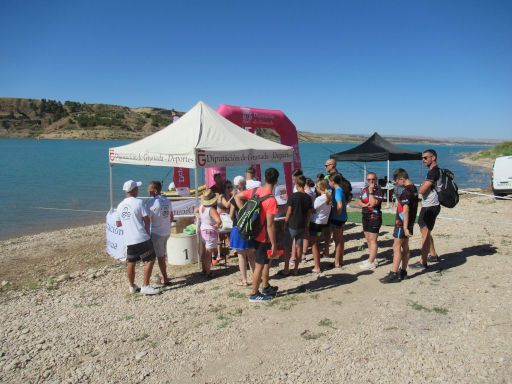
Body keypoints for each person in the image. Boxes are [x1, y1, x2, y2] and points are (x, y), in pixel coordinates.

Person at [235, 168, 279, 302]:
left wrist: (243, 210)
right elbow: (270, 225)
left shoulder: (255, 191)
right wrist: (274, 243)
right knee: (259, 265)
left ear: (265, 178)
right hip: (263, 237)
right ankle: (254, 293)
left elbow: (237, 196)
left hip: (253, 233)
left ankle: (265, 287)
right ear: (276, 181)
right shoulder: (271, 200)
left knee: (265, 262)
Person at [116, 180, 159, 295]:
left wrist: (128, 221)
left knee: (131, 262)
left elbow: (118, 223)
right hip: (141, 236)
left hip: (128, 239)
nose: (138, 190)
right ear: (134, 190)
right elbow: (147, 220)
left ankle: (132, 286)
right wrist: (147, 233)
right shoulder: (139, 202)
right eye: (137, 188)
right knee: (150, 259)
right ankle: (145, 285)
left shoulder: (120, 205)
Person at [380, 169, 419, 283]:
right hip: (409, 222)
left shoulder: (406, 192)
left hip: (402, 223)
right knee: (405, 247)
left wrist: (405, 227)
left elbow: (405, 210)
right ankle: (403, 271)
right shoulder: (414, 189)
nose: (397, 184)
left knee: (396, 247)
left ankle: (394, 273)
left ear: (402, 179)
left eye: (397, 182)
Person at [283, 175, 313, 276]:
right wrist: (307, 225)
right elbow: (309, 213)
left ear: (297, 184)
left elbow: (289, 211)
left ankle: (286, 269)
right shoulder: (308, 198)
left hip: (292, 224)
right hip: (302, 224)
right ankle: (296, 269)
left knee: (287, 247)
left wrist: (285, 222)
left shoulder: (293, 196)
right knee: (298, 246)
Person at [417, 149, 442, 268]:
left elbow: (421, 190)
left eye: (426, 158)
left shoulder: (434, 172)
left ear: (434, 158)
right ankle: (433, 254)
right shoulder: (433, 171)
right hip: (429, 205)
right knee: (425, 230)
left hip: (431, 206)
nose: (423, 160)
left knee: (425, 233)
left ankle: (423, 261)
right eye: (422, 158)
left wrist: (422, 185)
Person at [146, 181, 173, 286]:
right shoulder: (167, 201)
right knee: (163, 255)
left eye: (150, 189)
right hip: (166, 232)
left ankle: (165, 278)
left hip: (157, 233)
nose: (148, 191)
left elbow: (147, 220)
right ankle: (164, 275)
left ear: (155, 190)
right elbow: (171, 217)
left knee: (160, 257)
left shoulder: (150, 203)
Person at [229, 178, 256, 286]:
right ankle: (255, 276)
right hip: (249, 227)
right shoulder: (250, 196)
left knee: (241, 255)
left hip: (238, 227)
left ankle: (244, 280)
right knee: (251, 254)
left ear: (236, 187)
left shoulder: (235, 198)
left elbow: (231, 215)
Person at [358, 172, 385, 271]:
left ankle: (371, 262)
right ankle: (372, 258)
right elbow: (359, 201)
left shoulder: (379, 190)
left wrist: (370, 192)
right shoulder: (364, 189)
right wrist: (364, 205)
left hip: (374, 217)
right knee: (368, 239)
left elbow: (373, 203)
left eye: (373, 179)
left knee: (373, 240)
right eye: (369, 180)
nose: (371, 181)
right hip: (365, 216)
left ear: (376, 179)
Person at [195, 189, 222, 278]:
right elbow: (219, 221)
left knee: (204, 252)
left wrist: (199, 217)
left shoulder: (201, 206)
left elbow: (195, 211)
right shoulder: (211, 209)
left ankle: (204, 269)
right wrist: (217, 225)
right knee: (208, 254)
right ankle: (208, 272)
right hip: (210, 231)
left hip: (202, 230)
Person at [309, 180, 332, 273]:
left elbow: (313, 209)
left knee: (314, 244)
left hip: (315, 223)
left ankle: (317, 266)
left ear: (320, 188)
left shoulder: (319, 199)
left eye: (317, 187)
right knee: (317, 243)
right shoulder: (328, 197)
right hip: (322, 223)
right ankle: (317, 265)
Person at [328, 173, 348, 268]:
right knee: (340, 239)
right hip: (342, 218)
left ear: (332, 182)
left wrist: (337, 212)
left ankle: (336, 262)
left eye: (329, 181)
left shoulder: (337, 191)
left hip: (337, 219)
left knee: (337, 241)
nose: (328, 183)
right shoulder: (340, 189)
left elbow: (339, 204)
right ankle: (340, 260)